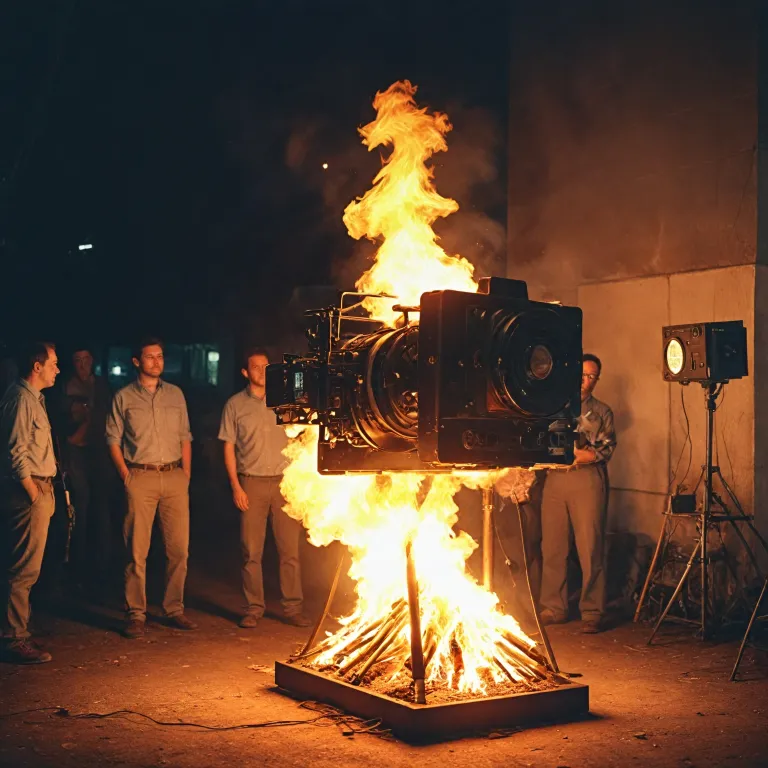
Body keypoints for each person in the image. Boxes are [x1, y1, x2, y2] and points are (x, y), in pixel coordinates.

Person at [106, 337, 197, 638]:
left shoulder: (176, 394)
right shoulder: (123, 397)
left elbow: (186, 435)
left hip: (173, 476)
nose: (157, 362)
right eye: (150, 357)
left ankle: (174, 608)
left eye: (160, 356)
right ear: (136, 361)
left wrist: (186, 473)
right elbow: (112, 438)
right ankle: (136, 613)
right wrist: (125, 474)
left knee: (179, 548)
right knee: (136, 549)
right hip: (140, 477)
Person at [218, 347, 310, 629]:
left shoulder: (285, 401)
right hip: (252, 483)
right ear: (245, 373)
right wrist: (236, 486)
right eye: (256, 367)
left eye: (266, 366)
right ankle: (254, 608)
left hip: (285, 484)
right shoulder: (235, 405)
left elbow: (305, 438)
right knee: (251, 551)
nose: (262, 371)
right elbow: (228, 447)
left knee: (289, 551)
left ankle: (292, 608)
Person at [539, 353, 617, 634]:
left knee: (590, 546)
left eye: (592, 376)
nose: (586, 381)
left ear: (597, 379)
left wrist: (577, 454)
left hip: (586, 481)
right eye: (582, 374)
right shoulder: (554, 405)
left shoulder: (602, 412)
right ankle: (554, 607)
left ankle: (592, 611)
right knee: (553, 547)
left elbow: (605, 450)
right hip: (555, 479)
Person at [0, 342, 59, 663]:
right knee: (22, 569)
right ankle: (13, 638)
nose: (58, 369)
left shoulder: (34, 398)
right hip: (29, 491)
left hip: (40, 487)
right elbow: (15, 451)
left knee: (27, 567)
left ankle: (15, 629)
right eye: (54, 363)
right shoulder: (21, 399)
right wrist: (33, 492)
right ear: (37, 367)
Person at [59, 346, 114, 591]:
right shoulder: (67, 386)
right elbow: (66, 425)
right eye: (77, 360)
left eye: (86, 360)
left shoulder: (101, 386)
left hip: (100, 454)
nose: (82, 365)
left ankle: (102, 568)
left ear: (92, 361)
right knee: (80, 509)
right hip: (77, 454)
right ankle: (77, 570)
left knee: (101, 511)